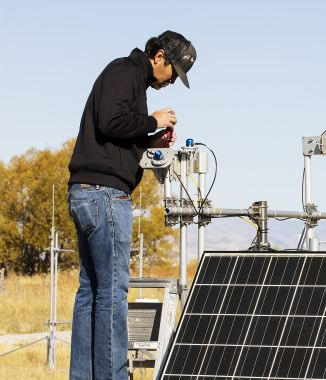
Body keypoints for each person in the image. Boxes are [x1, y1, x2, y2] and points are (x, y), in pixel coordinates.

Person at [67, 30, 196, 379]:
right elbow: (112, 120)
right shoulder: (125, 72)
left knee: (91, 293)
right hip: (105, 196)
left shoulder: (126, 78)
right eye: (174, 73)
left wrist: (151, 137)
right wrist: (154, 120)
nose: (171, 82)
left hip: (88, 192)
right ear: (159, 57)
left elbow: (117, 132)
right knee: (111, 293)